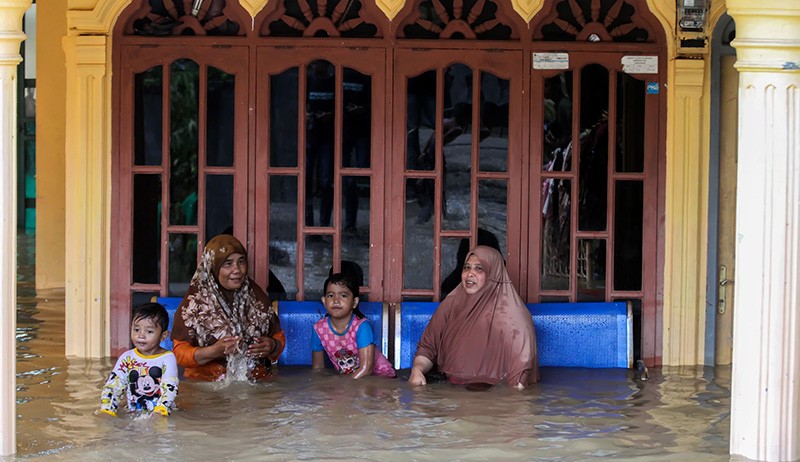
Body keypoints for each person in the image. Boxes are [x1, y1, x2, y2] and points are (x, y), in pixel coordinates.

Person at [408, 246, 539, 388]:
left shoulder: (513, 318)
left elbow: (519, 383)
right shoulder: (451, 304)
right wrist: (417, 370)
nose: (470, 273)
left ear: (493, 274)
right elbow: (428, 347)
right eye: (466, 267)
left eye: (479, 268)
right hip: (449, 391)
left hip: (492, 396)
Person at [170, 234, 285, 381]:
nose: (237, 270)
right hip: (206, 385)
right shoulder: (195, 303)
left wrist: (271, 346)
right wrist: (214, 351)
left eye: (241, 261)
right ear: (213, 266)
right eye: (228, 263)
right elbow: (179, 354)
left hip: (255, 382)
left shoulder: (256, 296)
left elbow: (278, 338)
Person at [99, 302, 178, 416]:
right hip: (133, 412)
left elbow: (169, 387)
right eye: (136, 330)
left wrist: (161, 410)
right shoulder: (127, 357)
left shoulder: (167, 358)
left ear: (163, 336)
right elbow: (114, 384)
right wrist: (107, 408)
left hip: (161, 413)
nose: (141, 335)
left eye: (149, 331)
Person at [311, 273, 396, 378]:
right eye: (330, 295)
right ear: (324, 301)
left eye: (343, 295)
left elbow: (366, 369)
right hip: (351, 380)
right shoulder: (318, 329)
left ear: (354, 302)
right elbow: (318, 369)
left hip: (379, 376)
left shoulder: (362, 327)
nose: (336, 300)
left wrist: (346, 386)